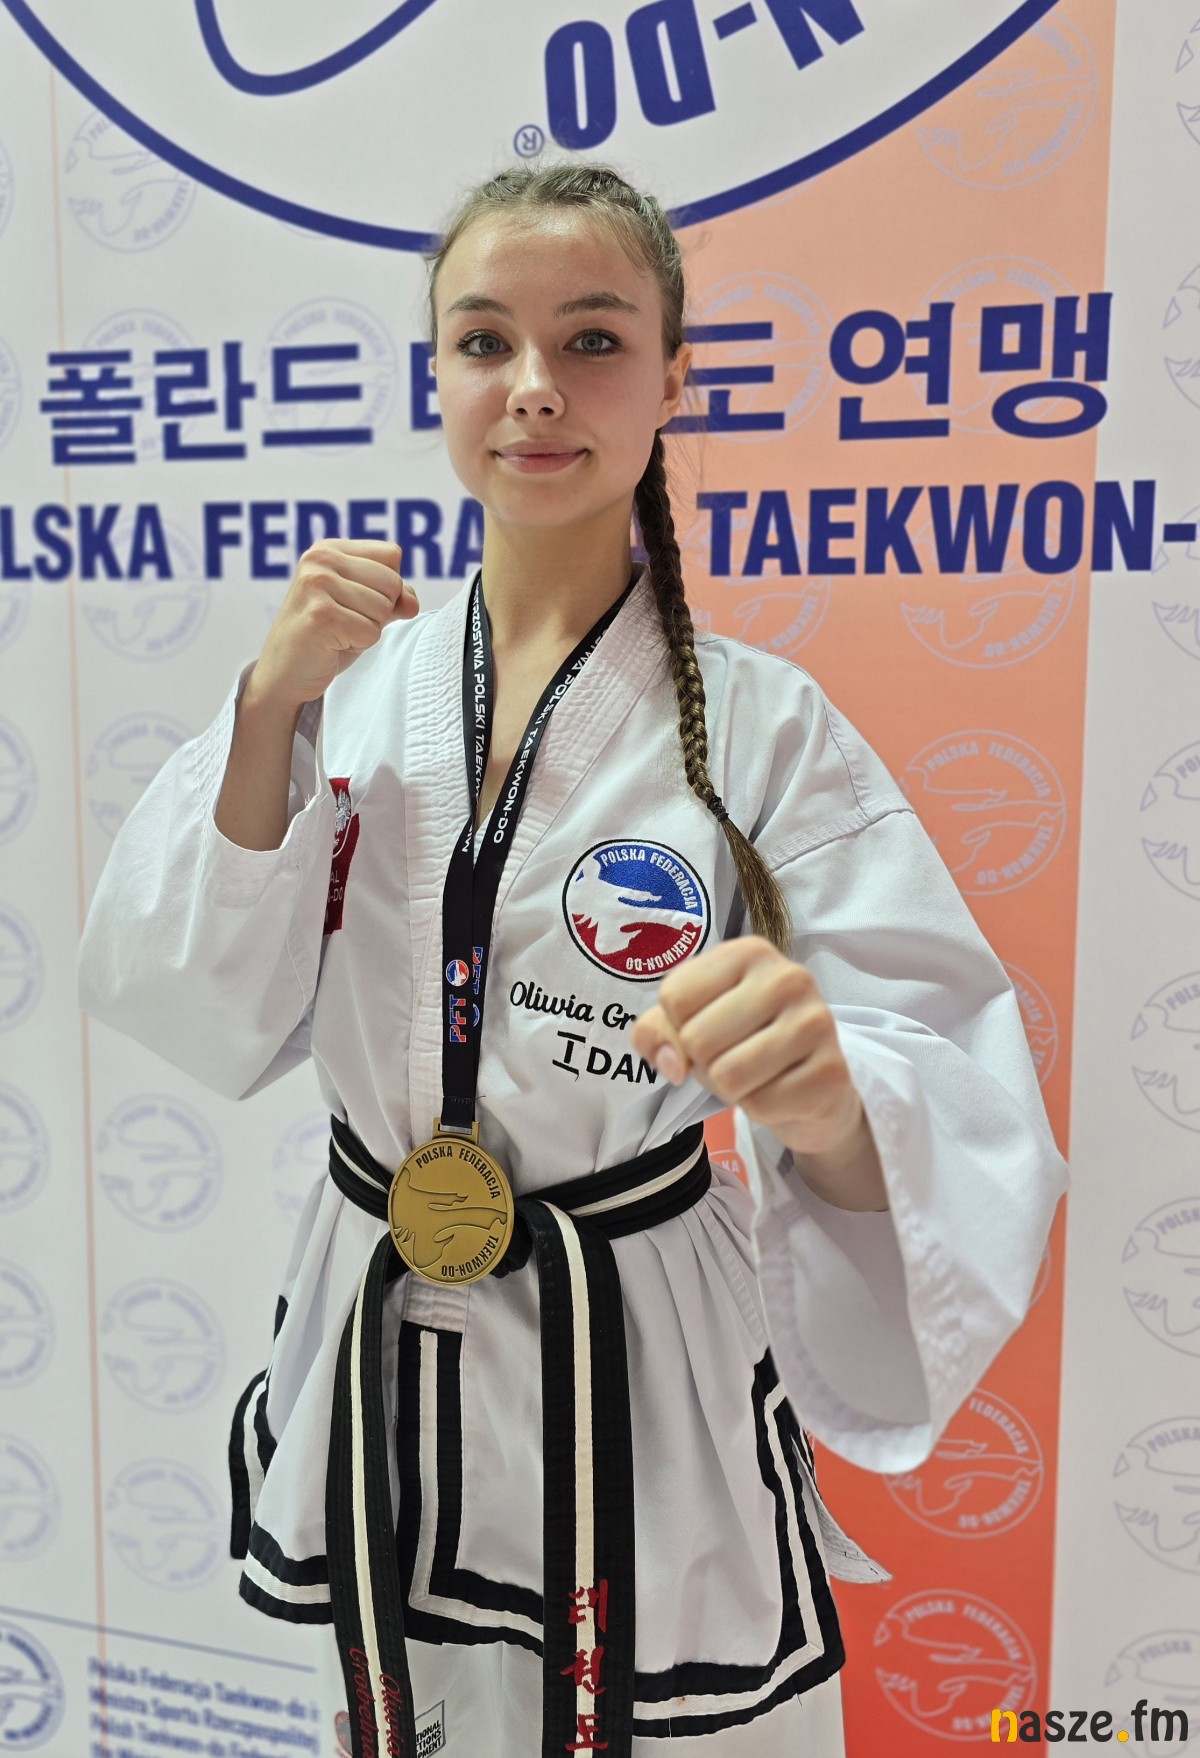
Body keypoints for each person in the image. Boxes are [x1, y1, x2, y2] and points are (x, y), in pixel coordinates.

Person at [77, 161, 1069, 1758]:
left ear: (674, 379)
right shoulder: (348, 683)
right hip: (378, 1320)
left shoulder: (765, 727)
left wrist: (827, 1093)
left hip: (632, 1346)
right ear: (439, 375)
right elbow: (197, 1003)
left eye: (593, 340)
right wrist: (265, 711)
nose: (534, 387)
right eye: (485, 341)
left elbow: (947, 1079)